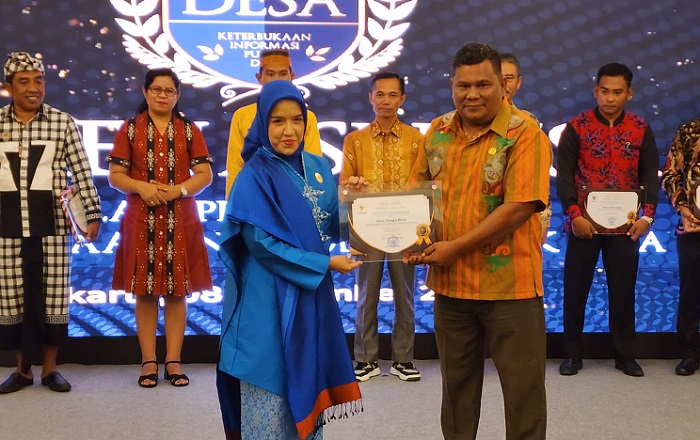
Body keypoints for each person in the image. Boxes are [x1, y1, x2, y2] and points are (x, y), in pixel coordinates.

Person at [407, 43, 550, 440]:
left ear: (503, 86)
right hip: (451, 287)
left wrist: (454, 247)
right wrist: (404, 236)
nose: (472, 94)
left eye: (483, 85)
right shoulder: (437, 131)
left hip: (510, 289)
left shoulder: (525, 133)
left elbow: (518, 209)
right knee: (457, 393)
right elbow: (417, 195)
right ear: (452, 86)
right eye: (463, 85)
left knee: (523, 395)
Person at [217, 80, 362, 440]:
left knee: (306, 376)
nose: (289, 130)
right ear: (263, 122)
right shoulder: (253, 175)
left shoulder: (317, 166)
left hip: (307, 294)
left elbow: (329, 225)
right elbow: (261, 244)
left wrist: (353, 204)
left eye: (297, 120)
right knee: (269, 387)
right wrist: (324, 264)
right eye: (278, 121)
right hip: (267, 297)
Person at [0, 52, 102, 394]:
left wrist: (92, 213)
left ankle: (50, 369)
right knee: (11, 297)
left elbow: (82, 170)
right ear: (9, 88)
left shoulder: (63, 122)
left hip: (54, 225)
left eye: (38, 80)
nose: (33, 88)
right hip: (6, 226)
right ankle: (21, 370)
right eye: (24, 82)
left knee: (54, 297)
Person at [106, 68, 213, 388]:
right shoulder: (130, 128)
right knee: (145, 291)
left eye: (169, 91)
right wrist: (140, 186)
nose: (162, 95)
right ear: (145, 92)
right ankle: (148, 362)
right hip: (142, 219)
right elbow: (115, 175)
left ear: (177, 96)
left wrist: (179, 190)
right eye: (156, 89)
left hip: (181, 218)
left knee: (178, 292)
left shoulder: (189, 129)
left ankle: (174, 361)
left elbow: (205, 175)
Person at [556, 62, 659, 377]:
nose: (610, 98)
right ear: (595, 91)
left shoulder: (640, 128)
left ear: (629, 93)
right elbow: (564, 175)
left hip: (626, 227)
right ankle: (572, 354)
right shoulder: (578, 126)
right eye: (604, 91)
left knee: (623, 291)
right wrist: (574, 214)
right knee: (575, 290)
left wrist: (648, 217)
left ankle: (624, 356)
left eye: (617, 92)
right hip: (584, 224)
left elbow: (649, 175)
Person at [340, 71, 424, 382]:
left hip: (406, 228)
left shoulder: (417, 140)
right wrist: (353, 187)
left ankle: (404, 359)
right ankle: (365, 359)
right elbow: (344, 188)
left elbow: (424, 184)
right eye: (380, 94)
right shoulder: (355, 140)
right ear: (370, 98)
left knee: (405, 294)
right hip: (366, 227)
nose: (385, 100)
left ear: (402, 99)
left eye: (392, 95)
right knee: (366, 294)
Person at [225, 49, 322, 197]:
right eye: (270, 74)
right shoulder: (242, 116)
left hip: (296, 195)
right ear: (259, 78)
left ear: (292, 77)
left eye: (283, 74)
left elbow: (313, 165)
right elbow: (235, 167)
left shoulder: (306, 117)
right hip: (255, 195)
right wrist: (233, 203)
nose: (277, 79)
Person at [661, 117, 700, 375]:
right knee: (690, 290)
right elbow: (671, 174)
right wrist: (683, 208)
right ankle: (689, 353)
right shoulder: (690, 131)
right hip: (693, 225)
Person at [501, 52, 551, 244]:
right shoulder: (468, 121)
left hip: (522, 220)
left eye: (509, 78)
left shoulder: (528, 123)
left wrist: (544, 219)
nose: (504, 84)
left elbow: (540, 176)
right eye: (499, 78)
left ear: (518, 82)